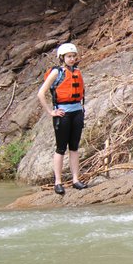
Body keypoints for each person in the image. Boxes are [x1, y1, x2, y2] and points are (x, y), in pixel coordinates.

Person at [37, 43, 87, 195]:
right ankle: (57, 182)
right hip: (63, 114)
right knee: (60, 148)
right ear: (62, 58)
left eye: (73, 56)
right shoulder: (56, 73)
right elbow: (41, 93)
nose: (72, 59)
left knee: (74, 147)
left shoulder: (77, 72)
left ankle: (76, 179)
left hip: (77, 111)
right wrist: (51, 112)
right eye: (69, 57)